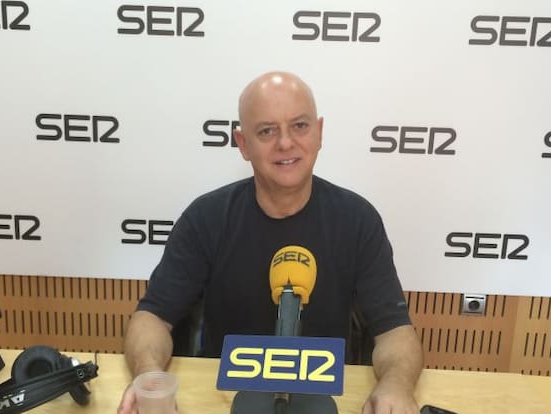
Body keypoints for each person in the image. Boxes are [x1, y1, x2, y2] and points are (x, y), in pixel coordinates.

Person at [118, 71, 423, 414]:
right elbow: (153, 318)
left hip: (324, 401)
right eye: (267, 131)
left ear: (319, 132)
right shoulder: (206, 218)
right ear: (243, 143)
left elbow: (395, 332)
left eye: (300, 126)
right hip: (224, 400)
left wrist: (396, 384)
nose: (286, 143)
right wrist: (148, 376)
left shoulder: (357, 220)